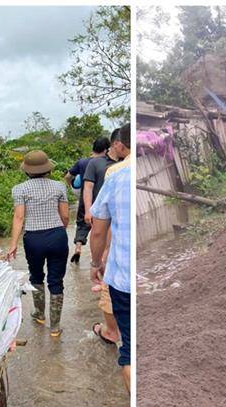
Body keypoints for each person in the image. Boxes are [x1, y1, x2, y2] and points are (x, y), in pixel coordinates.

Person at [6, 150, 70, 336]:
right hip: (57, 235)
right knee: (56, 280)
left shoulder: (19, 189)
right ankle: (55, 327)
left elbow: (19, 217)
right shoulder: (59, 186)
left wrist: (12, 244)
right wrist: (59, 231)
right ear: (48, 169)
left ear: (27, 170)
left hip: (33, 239)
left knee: (36, 275)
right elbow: (65, 215)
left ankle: (40, 314)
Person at [89, 142, 132, 393]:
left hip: (121, 274)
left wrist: (96, 263)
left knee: (129, 347)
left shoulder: (115, 175)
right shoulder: (111, 170)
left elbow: (99, 229)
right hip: (127, 268)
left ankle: (110, 332)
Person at [64, 137, 110, 264]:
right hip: (102, 200)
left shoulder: (82, 162)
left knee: (82, 224)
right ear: (106, 150)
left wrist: (72, 187)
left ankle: (78, 247)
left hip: (85, 199)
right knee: (102, 229)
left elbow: (68, 176)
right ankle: (100, 257)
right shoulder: (107, 163)